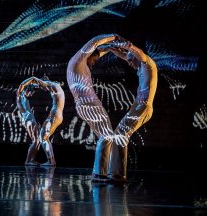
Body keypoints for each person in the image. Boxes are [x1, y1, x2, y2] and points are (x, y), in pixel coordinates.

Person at [101, 39, 158, 182]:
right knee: (117, 135)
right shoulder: (139, 66)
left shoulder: (148, 64)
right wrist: (109, 48)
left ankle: (118, 175)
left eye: (131, 61)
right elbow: (125, 56)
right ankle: (113, 172)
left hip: (143, 107)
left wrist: (129, 46)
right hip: (137, 106)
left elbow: (139, 54)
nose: (130, 64)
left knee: (121, 134)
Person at [67, 34, 119, 181]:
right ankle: (99, 173)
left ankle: (102, 172)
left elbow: (98, 50)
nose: (95, 63)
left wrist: (109, 48)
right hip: (89, 104)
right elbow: (93, 42)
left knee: (106, 136)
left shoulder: (79, 64)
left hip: (84, 104)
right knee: (107, 136)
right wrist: (112, 37)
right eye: (94, 59)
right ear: (88, 54)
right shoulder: (78, 60)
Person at [17, 76, 65, 166]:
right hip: (34, 118)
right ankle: (44, 161)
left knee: (41, 138)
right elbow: (23, 85)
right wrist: (31, 82)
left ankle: (48, 161)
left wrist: (34, 80)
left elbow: (42, 84)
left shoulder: (52, 85)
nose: (44, 89)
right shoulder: (55, 86)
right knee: (40, 139)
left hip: (54, 116)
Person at [16, 83, 41, 166]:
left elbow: (32, 86)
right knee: (35, 141)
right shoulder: (20, 96)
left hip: (31, 119)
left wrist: (37, 84)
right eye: (31, 92)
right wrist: (35, 81)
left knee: (38, 141)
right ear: (26, 91)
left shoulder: (25, 97)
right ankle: (27, 161)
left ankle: (32, 160)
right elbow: (22, 85)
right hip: (28, 120)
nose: (32, 94)